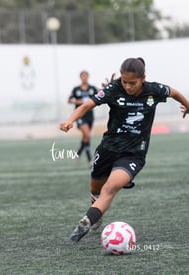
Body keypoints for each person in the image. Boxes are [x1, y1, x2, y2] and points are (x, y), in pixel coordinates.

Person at [60, 57, 189, 243]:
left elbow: (174, 92)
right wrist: (70, 120)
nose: (127, 86)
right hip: (108, 149)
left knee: (110, 188)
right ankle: (97, 212)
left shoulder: (155, 90)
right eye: (124, 81)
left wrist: (188, 106)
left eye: (132, 83)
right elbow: (87, 105)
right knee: (95, 190)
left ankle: (87, 221)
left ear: (143, 78)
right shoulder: (114, 90)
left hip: (133, 153)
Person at [67, 70, 98, 166]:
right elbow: (69, 100)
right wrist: (79, 101)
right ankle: (90, 159)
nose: (84, 77)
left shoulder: (92, 88)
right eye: (82, 76)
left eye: (86, 76)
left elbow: (99, 98)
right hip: (80, 115)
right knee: (87, 135)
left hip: (90, 116)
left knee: (86, 137)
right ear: (80, 77)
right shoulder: (76, 89)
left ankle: (78, 153)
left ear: (88, 77)